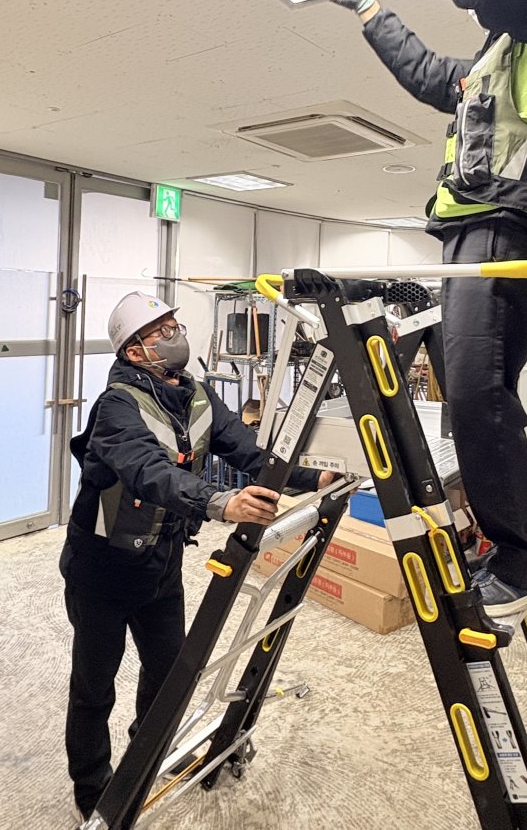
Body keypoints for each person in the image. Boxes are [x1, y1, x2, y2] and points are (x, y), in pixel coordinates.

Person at [333, 0, 527, 616]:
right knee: (481, 396)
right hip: (481, 229)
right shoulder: (501, 61)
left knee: (473, 397)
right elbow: (432, 75)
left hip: (506, 225)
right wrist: (371, 9)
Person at [60, 291, 334, 823]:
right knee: (94, 686)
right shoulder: (117, 407)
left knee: (168, 674)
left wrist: (312, 477)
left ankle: (145, 757)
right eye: (161, 331)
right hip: (102, 570)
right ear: (135, 352)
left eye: (174, 325)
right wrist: (219, 502)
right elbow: (150, 472)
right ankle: (93, 789)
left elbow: (249, 453)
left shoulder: (197, 395)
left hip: (160, 563)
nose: (175, 335)